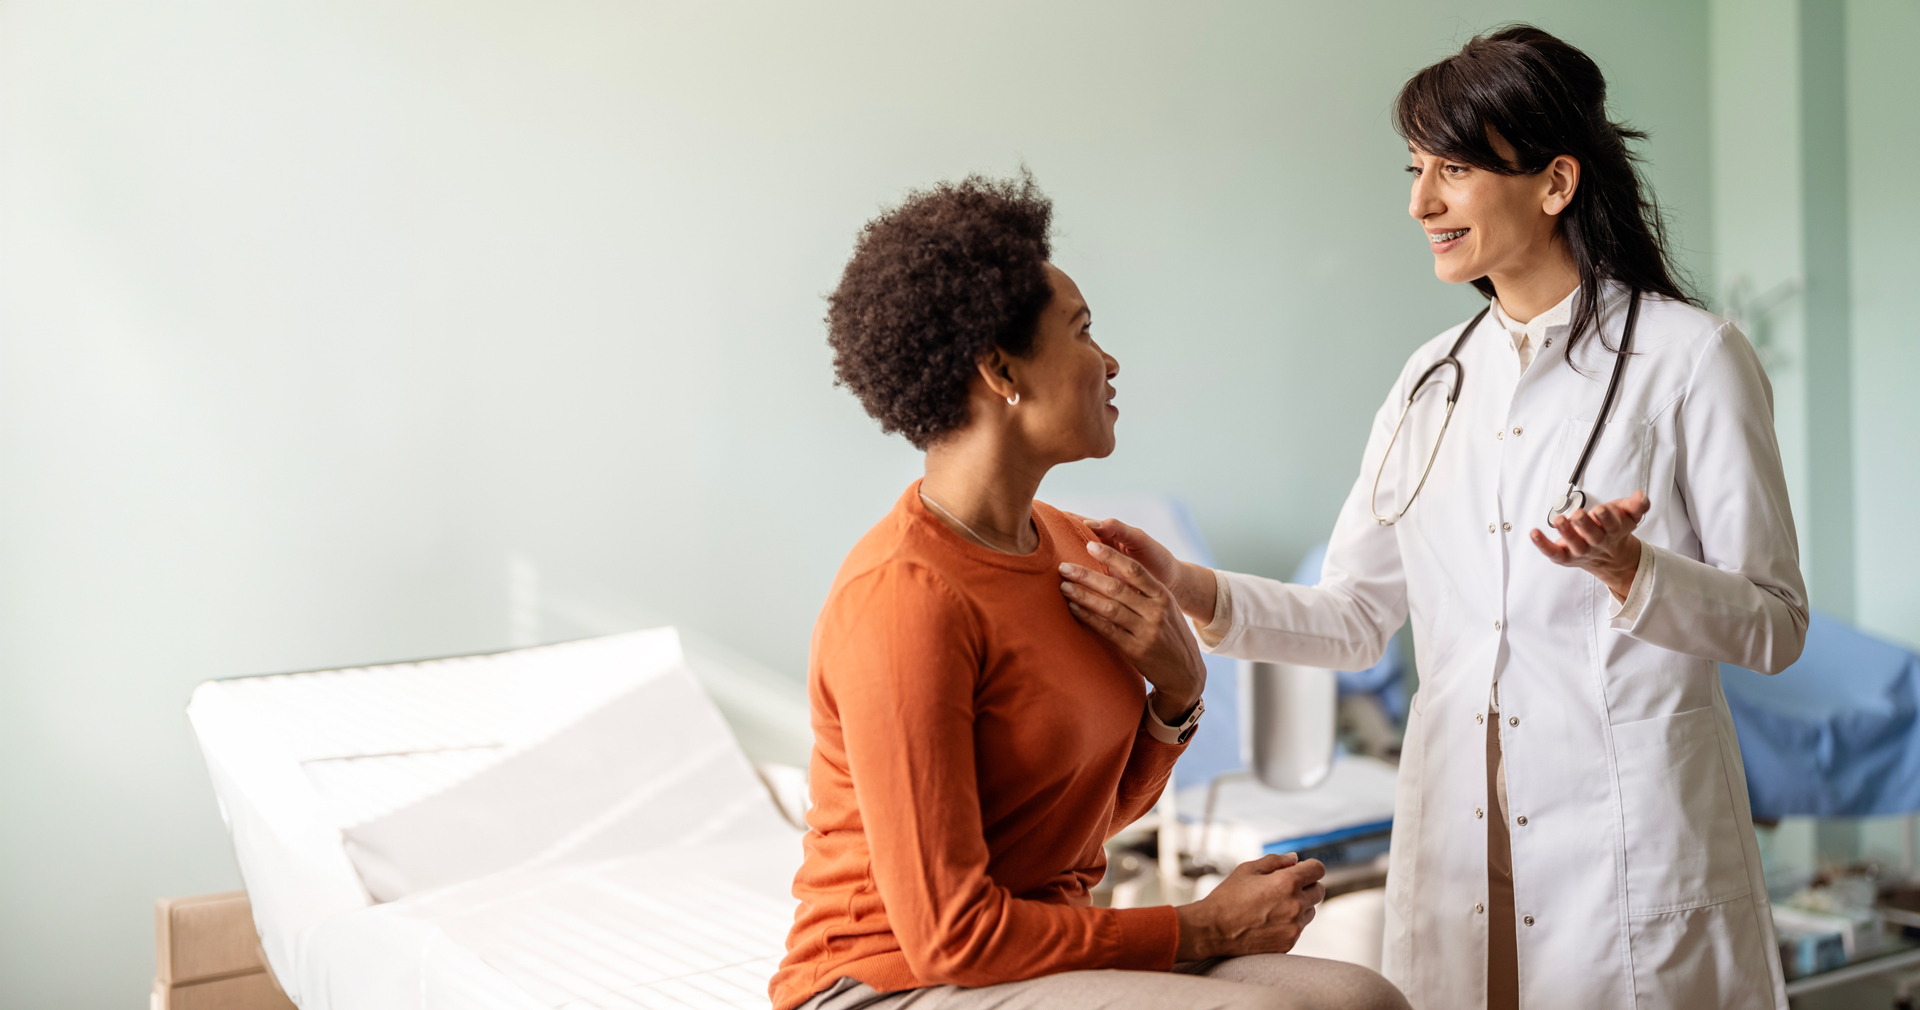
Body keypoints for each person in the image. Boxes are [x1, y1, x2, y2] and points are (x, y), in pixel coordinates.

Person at [1063, 26, 1806, 1010]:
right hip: (1463, 838)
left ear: (1554, 183)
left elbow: (1777, 622)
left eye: (1452, 169)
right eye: (1417, 170)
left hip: (1623, 844)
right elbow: (1354, 615)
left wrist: (1636, 572)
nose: (1420, 202)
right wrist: (1189, 586)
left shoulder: (1690, 357)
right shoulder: (1430, 381)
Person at [770, 174, 1410, 1010]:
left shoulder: (1073, 548)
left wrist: (1177, 698)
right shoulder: (904, 599)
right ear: (1001, 370)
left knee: (1363, 999)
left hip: (1037, 948)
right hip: (890, 982)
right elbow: (950, 933)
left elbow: (1065, 831)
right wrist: (1202, 927)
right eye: (1081, 331)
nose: (1108, 361)